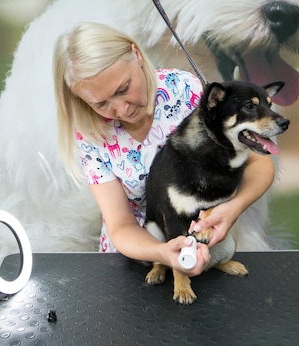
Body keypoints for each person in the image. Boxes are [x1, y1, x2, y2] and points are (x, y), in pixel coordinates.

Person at [53, 22, 275, 277]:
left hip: (204, 250)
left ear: (136, 55)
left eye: (124, 89)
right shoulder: (92, 134)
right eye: (101, 103)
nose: (122, 109)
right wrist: (163, 253)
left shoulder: (184, 91)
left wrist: (233, 208)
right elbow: (121, 224)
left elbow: (260, 163)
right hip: (133, 263)